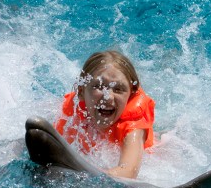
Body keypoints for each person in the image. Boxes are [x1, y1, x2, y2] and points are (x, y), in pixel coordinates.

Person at [54, 50, 155, 179]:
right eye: (98, 86)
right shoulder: (72, 109)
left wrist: (84, 174)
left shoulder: (133, 128)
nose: (108, 97)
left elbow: (128, 172)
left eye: (118, 89)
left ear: (131, 94)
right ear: (81, 91)